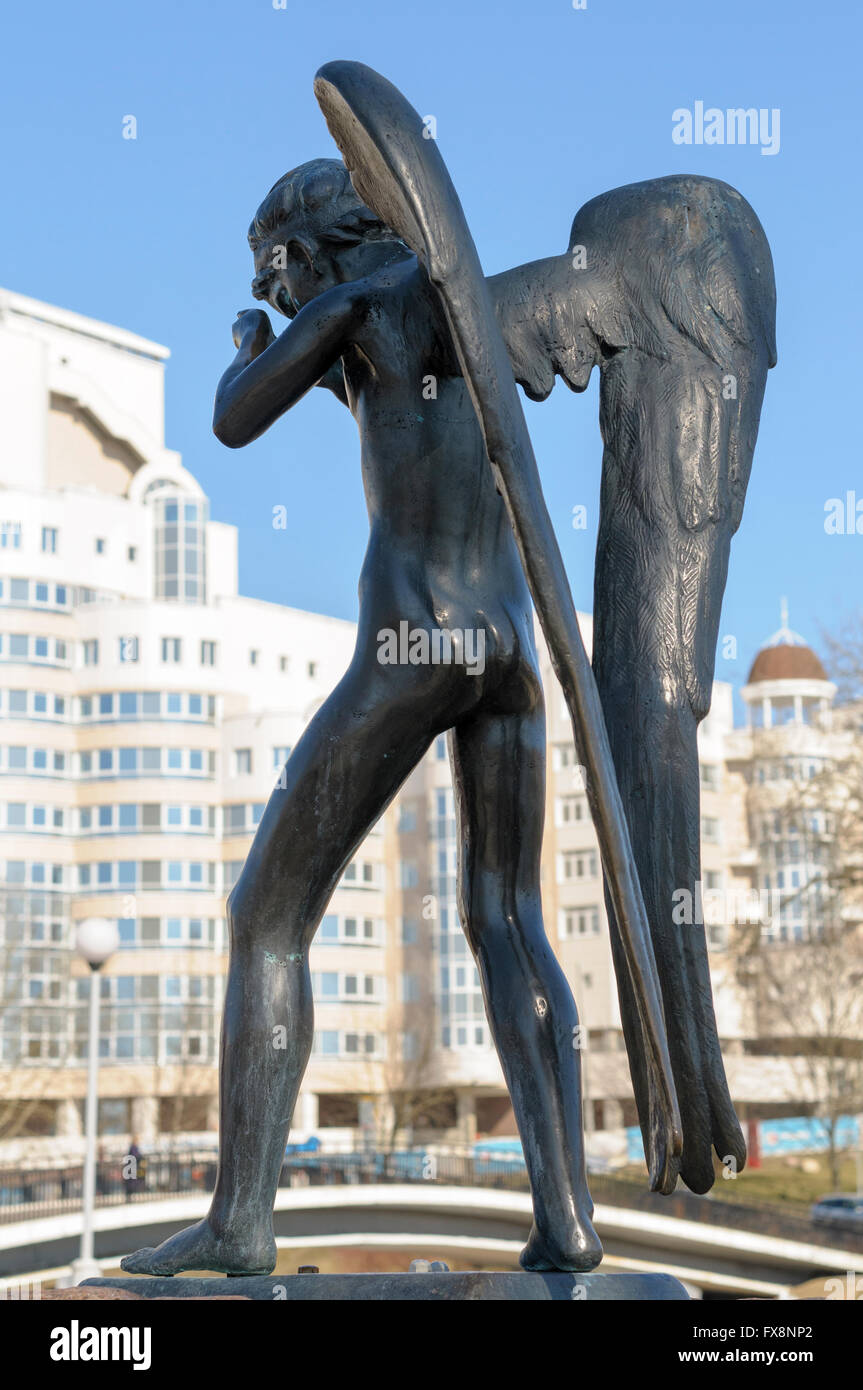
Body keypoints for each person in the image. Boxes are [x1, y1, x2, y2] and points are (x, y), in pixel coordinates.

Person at [121, 158, 599, 1277]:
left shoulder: (352, 303)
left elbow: (234, 422)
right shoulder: (469, 311)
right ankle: (566, 1216)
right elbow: (391, 398)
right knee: (507, 917)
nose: (272, 292)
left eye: (269, 271)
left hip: (411, 641)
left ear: (303, 251)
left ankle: (239, 1218)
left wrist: (263, 342)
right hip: (507, 653)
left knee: (266, 916)